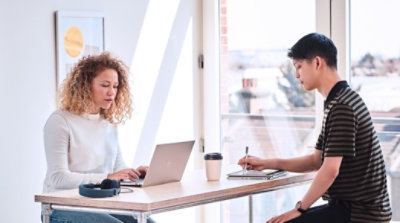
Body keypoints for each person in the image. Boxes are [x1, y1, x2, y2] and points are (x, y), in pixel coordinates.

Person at [239, 33, 392, 223]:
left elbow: (330, 171)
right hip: (350, 208)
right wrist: (267, 163)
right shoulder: (338, 100)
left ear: (317, 63)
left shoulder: (342, 106)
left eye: (299, 67)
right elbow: (315, 160)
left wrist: (300, 209)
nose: (296, 75)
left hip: (360, 213)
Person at [42, 52, 155, 223]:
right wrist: (108, 177)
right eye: (105, 85)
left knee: (147, 222)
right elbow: (58, 179)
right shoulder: (60, 121)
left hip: (100, 204)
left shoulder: (108, 123)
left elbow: (117, 168)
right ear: (86, 85)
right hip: (61, 208)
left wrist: (133, 174)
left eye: (115, 86)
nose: (112, 92)